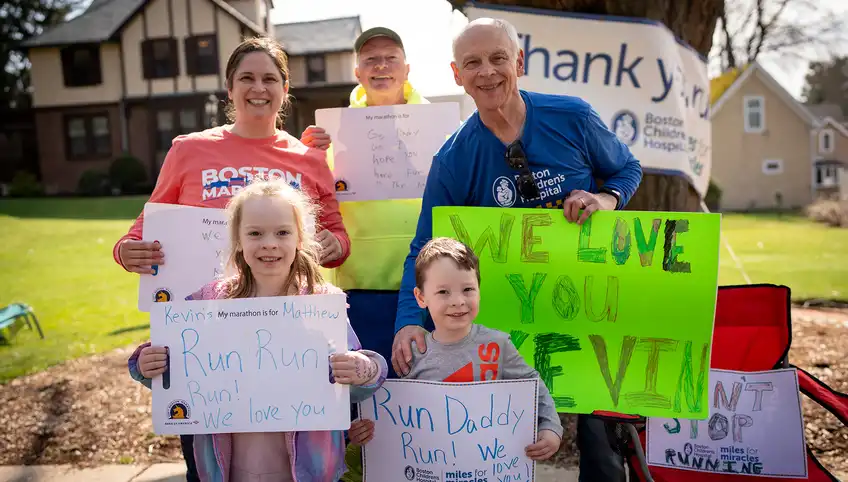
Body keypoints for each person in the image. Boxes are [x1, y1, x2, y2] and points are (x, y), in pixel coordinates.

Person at [390, 18, 643, 482]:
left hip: (586, 306)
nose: (486, 72)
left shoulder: (573, 117)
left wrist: (604, 199)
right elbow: (425, 247)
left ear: (519, 62)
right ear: (456, 75)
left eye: (497, 58)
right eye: (472, 63)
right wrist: (409, 318)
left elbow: (626, 169)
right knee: (507, 435)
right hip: (512, 315)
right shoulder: (453, 158)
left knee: (601, 436)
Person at [117, 36, 351, 481]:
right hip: (205, 330)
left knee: (288, 451)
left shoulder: (308, 158)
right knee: (212, 458)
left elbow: (337, 236)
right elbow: (144, 227)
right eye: (246, 77)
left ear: (285, 90)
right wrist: (127, 250)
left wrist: (325, 246)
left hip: (287, 329)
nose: (257, 87)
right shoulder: (189, 149)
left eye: (269, 78)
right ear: (229, 88)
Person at [128, 177, 388, 482]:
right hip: (229, 465)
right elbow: (176, 364)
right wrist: (146, 364)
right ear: (237, 240)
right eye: (255, 233)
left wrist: (363, 369)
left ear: (299, 239)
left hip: (306, 468)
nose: (269, 243)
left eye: (282, 232)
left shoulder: (323, 304)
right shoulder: (208, 301)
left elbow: (357, 379)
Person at [343, 237, 563, 476]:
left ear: (479, 289)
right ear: (420, 298)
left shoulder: (498, 345)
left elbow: (533, 386)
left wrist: (551, 427)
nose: (458, 301)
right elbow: (397, 419)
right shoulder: (412, 354)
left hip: (489, 469)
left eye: (468, 289)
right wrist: (363, 432)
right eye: (443, 292)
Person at [300, 26, 431, 372]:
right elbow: (314, 198)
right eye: (371, 59)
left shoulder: (440, 125)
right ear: (357, 72)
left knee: (420, 385)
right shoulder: (335, 131)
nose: (381, 66)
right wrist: (310, 154)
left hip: (426, 281)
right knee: (367, 386)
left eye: (391, 58)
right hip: (359, 283)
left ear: (407, 69)